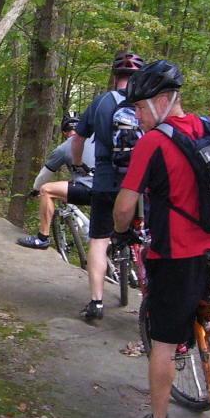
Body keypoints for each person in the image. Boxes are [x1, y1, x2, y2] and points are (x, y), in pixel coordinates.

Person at [111, 59, 210, 418]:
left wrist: (121, 233)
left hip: (175, 257)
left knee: (165, 343)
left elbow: (124, 207)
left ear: (162, 101)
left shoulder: (153, 143)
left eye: (140, 108)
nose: (137, 116)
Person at [70, 50, 145, 321]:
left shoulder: (101, 103)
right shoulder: (147, 104)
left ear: (115, 76)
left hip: (105, 180)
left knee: (99, 242)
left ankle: (96, 303)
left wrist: (79, 166)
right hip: (140, 185)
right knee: (149, 238)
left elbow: (77, 141)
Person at [16, 115, 96, 249]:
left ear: (64, 132)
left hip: (89, 188)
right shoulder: (98, 140)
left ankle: (42, 238)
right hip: (112, 187)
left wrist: (36, 189)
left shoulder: (64, 148)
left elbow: (44, 176)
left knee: (46, 190)